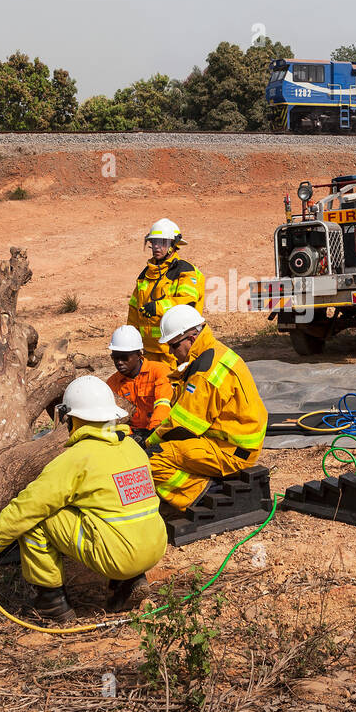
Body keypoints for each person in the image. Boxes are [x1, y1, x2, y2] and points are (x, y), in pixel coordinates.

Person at [0, 376, 166, 622]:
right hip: (155, 546)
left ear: (72, 418)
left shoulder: (75, 459)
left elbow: (24, 510)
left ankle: (52, 604)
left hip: (119, 555)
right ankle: (130, 583)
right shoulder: (132, 448)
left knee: (34, 522)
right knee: (112, 513)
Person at [145, 305, 268, 511]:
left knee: (151, 460)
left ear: (191, 339)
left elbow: (183, 426)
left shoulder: (205, 372)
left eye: (173, 346)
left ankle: (203, 491)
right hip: (228, 442)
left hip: (231, 452)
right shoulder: (211, 352)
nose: (169, 352)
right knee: (166, 449)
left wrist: (149, 442)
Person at [126, 218, 205, 366]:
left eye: (162, 242)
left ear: (173, 245)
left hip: (174, 350)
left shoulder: (184, 271)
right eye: (153, 242)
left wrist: (158, 307)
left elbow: (188, 302)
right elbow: (134, 311)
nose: (156, 247)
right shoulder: (145, 275)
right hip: (148, 352)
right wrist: (131, 340)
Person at [105, 324, 172, 449]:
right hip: (131, 439)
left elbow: (163, 406)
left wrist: (152, 433)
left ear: (138, 354)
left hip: (159, 432)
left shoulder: (159, 371)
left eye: (124, 357)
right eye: (115, 357)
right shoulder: (112, 384)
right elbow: (112, 421)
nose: (119, 362)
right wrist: (132, 437)